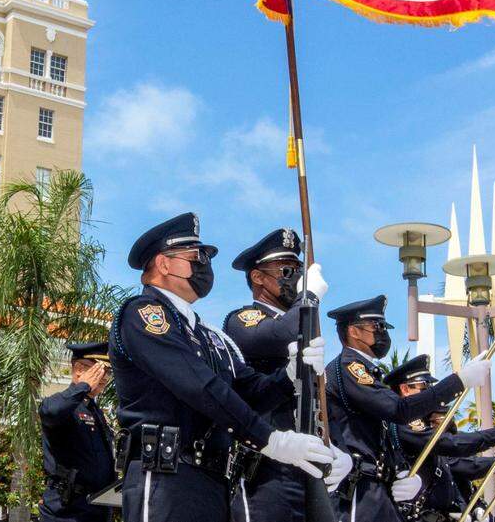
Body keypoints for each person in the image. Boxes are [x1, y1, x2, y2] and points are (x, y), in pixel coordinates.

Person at [109, 213, 348, 522]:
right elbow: (199, 385)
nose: (205, 264)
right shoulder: (144, 314)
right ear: (164, 264)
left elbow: (248, 391)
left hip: (214, 480)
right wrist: (271, 440)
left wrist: (291, 374)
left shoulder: (209, 336)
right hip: (166, 477)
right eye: (196, 256)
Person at [325, 296, 493, 522]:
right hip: (358, 488)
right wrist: (458, 381)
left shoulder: (369, 373)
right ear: (354, 332)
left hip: (377, 488)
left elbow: (384, 434)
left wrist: (401, 472)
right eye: (377, 326)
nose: (383, 333)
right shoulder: (350, 367)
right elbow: (399, 410)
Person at [223, 228, 347, 522]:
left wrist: (341, 451)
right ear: (258, 277)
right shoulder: (243, 319)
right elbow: (281, 333)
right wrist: (310, 298)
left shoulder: (302, 321)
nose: (296, 279)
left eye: (299, 271)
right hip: (267, 472)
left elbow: (320, 401)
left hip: (311, 469)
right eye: (287, 270)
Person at [382, 355, 495, 522]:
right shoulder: (405, 424)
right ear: (405, 389)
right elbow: (455, 446)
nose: (429, 395)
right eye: (424, 388)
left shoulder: (419, 427)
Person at [38, 342, 117, 522]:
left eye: (108, 372)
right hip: (66, 512)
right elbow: (50, 412)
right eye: (100, 370)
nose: (105, 377)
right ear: (80, 369)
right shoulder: (63, 405)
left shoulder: (95, 412)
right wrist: (82, 386)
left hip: (96, 509)